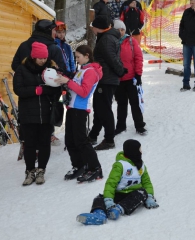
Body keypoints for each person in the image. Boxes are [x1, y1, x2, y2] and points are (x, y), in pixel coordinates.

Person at [76, 139, 158, 225]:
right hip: (119, 194)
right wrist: (108, 199)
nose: (141, 152)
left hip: (133, 194)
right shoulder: (120, 165)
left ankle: (118, 210)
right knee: (100, 198)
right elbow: (111, 183)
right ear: (133, 151)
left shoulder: (141, 166)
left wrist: (149, 196)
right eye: (139, 150)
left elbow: (147, 182)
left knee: (142, 193)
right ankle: (99, 214)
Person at [13, 42, 61, 186]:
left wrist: (47, 89)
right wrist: (35, 90)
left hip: (47, 112)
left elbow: (57, 90)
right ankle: (29, 171)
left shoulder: (51, 69)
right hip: (28, 113)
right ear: (33, 56)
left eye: (44, 58)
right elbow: (18, 89)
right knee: (30, 144)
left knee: (45, 143)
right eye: (40, 58)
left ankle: (41, 170)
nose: (42, 60)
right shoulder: (22, 69)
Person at [54, 45, 104, 183]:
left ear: (87, 56)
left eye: (78, 57)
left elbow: (84, 92)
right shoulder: (81, 70)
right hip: (72, 108)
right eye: (75, 57)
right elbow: (74, 86)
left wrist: (68, 82)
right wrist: (63, 78)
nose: (76, 59)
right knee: (70, 140)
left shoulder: (91, 71)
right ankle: (79, 165)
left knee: (81, 141)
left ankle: (95, 168)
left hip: (80, 110)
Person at [87, 17, 126, 151]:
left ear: (98, 27)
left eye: (93, 26)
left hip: (107, 79)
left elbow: (112, 59)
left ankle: (109, 139)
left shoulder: (106, 39)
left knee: (104, 109)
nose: (91, 28)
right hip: (104, 78)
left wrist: (120, 71)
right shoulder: (106, 37)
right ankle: (93, 135)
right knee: (99, 108)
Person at [113, 19, 147, 136]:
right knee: (121, 104)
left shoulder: (131, 41)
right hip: (118, 78)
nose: (121, 32)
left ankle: (139, 125)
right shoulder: (112, 42)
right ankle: (121, 126)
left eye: (122, 29)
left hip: (131, 77)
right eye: (118, 30)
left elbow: (138, 58)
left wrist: (138, 74)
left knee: (135, 103)